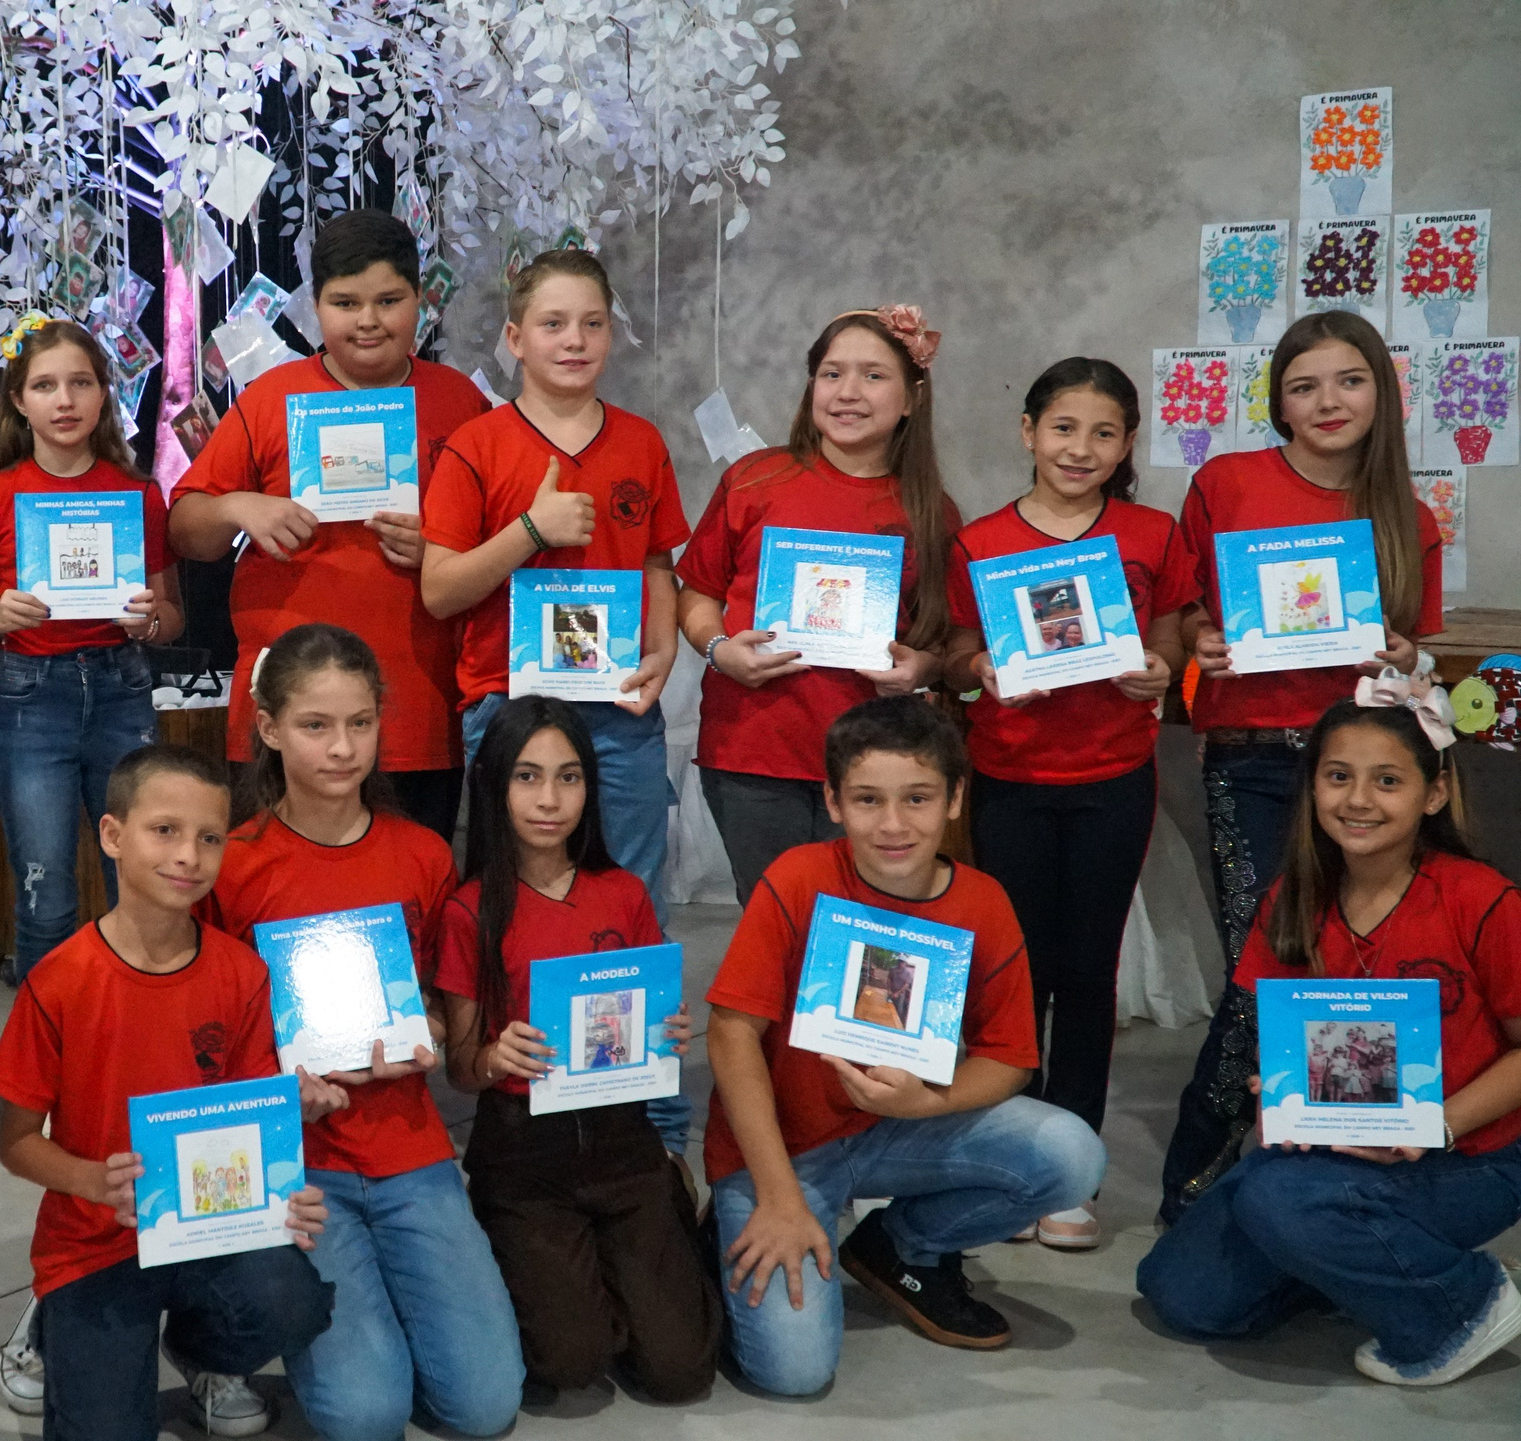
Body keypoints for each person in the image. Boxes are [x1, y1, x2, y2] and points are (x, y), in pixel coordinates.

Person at [704, 696, 1105, 1395]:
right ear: (832, 801)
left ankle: (901, 1245)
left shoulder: (983, 901)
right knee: (794, 1372)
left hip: (900, 1129)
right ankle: (736, 1217)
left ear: (955, 798)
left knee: (1072, 1154)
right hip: (784, 1149)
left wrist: (927, 1101)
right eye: (867, 799)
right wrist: (777, 1195)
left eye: (917, 797)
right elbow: (732, 1031)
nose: (893, 824)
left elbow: (1010, 1057)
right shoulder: (798, 877)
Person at [197, 624, 526, 1441]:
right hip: (298, 1161)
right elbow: (204, 1034)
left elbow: (445, 1012)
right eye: (315, 725)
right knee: (363, 1417)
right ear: (269, 729)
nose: (342, 748)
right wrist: (277, 1086)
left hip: (410, 1148)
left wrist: (441, 1031)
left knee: (484, 1406)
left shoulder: (422, 856)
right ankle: (210, 1330)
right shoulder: (232, 863)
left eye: (360, 723)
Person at [1139, 689, 1521, 1387]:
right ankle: (1361, 1266)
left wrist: (1435, 1123)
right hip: (1334, 1152)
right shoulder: (1293, 901)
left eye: (1389, 780)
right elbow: (1280, 1043)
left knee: (1273, 1200)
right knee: (1179, 1290)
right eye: (1338, 776)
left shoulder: (1481, 898)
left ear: (1433, 794)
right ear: (1311, 784)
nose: (1359, 799)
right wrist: (1275, 1088)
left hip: (1474, 1155)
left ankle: (1465, 1302)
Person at [1158, 309, 1445, 1222]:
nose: (1328, 401)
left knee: (1358, 968)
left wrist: (1399, 656)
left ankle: (1334, 1167)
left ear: (1381, 391)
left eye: (1348, 380)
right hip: (1251, 757)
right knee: (1264, 966)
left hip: (1364, 765)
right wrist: (1203, 638)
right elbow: (1183, 618)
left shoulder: (1411, 513)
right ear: (1277, 401)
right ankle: (1194, 1177)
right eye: (1303, 385)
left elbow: (1416, 657)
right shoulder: (1227, 482)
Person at [418, 247, 692, 1157]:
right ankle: (512, 1085)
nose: (573, 340)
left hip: (616, 714)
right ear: (513, 338)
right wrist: (530, 530)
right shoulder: (478, 446)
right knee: (511, 900)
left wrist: (659, 655)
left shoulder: (642, 443)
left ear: (611, 333)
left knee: (628, 898)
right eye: (552, 323)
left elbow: (657, 561)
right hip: (509, 713)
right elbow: (441, 588)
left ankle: (643, 1105)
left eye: (591, 323)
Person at [0, 745, 340, 1441]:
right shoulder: (59, 981)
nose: (189, 855)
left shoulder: (240, 971)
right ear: (113, 835)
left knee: (292, 1299)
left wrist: (280, 1187)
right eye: (165, 830)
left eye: (209, 837)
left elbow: (247, 1120)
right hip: (96, 1242)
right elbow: (17, 1142)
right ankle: (58, 1326)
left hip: (210, 1227)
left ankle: (204, 1355)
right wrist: (91, 1179)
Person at [939, 358, 1196, 1249]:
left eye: (1103, 433)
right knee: (1013, 971)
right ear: (1027, 432)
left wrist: (1162, 666)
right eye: (1062, 428)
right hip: (1007, 778)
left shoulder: (1152, 532)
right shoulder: (979, 542)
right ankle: (1010, 1157)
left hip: (1111, 782)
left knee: (1088, 973)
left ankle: (1070, 1166)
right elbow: (956, 652)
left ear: (1128, 443)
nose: (1079, 448)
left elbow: (1171, 628)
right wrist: (981, 671)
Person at [432, 695, 721, 1405]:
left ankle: (660, 1222)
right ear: (494, 785)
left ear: (591, 787)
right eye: (527, 777)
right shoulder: (470, 908)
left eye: (568, 777)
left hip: (624, 1143)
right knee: (570, 1359)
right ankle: (558, 1263)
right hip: (523, 1154)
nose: (549, 799)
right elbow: (463, 1070)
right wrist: (498, 1055)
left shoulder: (621, 892)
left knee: (681, 1368)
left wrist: (666, 1031)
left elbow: (652, 1014)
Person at [167, 211, 489, 838]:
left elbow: (504, 541)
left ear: (421, 303)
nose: (368, 320)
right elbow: (184, 528)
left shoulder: (460, 402)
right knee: (276, 898)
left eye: (389, 300)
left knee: (410, 897)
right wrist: (239, 507)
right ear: (316, 307)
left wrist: (447, 548)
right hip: (287, 709)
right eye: (345, 303)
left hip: (417, 709)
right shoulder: (269, 398)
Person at [675, 306, 959, 903]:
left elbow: (945, 642)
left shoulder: (930, 510)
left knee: (857, 935)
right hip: (751, 750)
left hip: (875, 764)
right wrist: (719, 650)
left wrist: (920, 669)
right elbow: (697, 591)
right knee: (774, 923)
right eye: (832, 374)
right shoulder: (754, 481)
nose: (848, 392)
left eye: (873, 376)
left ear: (911, 398)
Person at [0, 315, 182, 985]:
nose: (65, 400)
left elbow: (171, 616)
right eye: (45, 385)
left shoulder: (139, 493)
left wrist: (148, 621)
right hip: (29, 697)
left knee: (137, 877)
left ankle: (131, 1032)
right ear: (18, 399)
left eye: (81, 382)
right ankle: (47, 1063)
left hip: (122, 686)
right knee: (45, 890)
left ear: (103, 393)